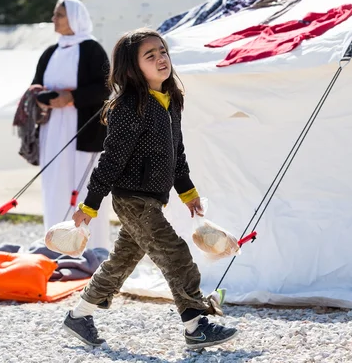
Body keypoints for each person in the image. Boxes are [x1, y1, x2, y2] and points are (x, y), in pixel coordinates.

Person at [62, 28, 239, 350]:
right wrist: (89, 206)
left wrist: (188, 192)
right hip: (132, 199)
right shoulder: (130, 106)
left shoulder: (170, 100)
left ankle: (79, 315)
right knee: (175, 254)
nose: (161, 59)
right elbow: (111, 161)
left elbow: (177, 152)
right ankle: (196, 325)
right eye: (150, 55)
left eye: (162, 51)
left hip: (152, 199)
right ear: (132, 67)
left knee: (121, 262)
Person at [29, 0, 112, 250]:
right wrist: (45, 99)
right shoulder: (50, 52)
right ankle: (56, 244)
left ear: (75, 18)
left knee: (84, 187)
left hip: (84, 130)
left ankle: (90, 246)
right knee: (55, 185)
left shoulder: (91, 49)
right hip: (53, 129)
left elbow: (105, 87)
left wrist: (71, 97)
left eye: (59, 14)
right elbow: (35, 86)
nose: (54, 19)